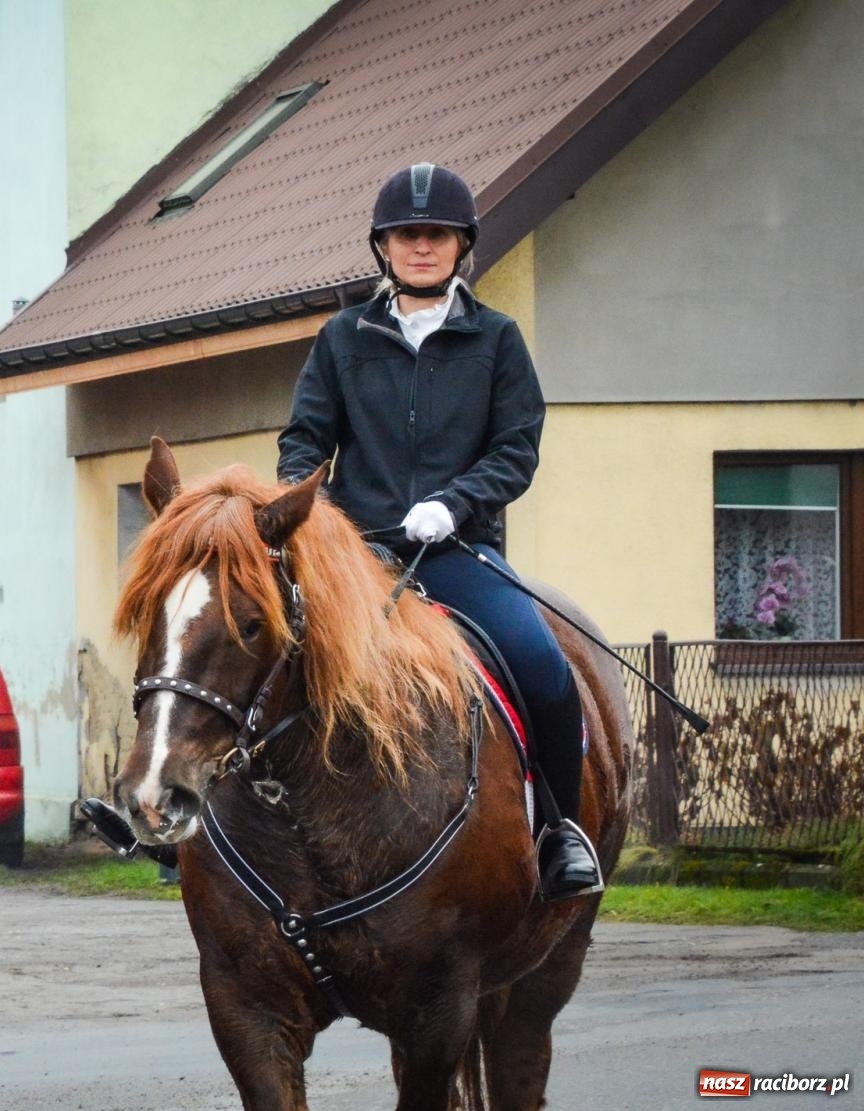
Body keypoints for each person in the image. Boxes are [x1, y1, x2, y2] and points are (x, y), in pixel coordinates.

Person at [275, 162, 602, 902]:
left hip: (457, 550)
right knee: (252, 653)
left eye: (437, 235)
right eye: (407, 235)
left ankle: (559, 831)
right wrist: (314, 510)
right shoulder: (340, 339)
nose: (422, 246)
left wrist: (456, 502)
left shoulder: (498, 339)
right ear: (382, 247)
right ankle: (194, 828)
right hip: (358, 556)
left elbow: (517, 447)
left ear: (462, 247)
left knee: (543, 665)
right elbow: (304, 441)